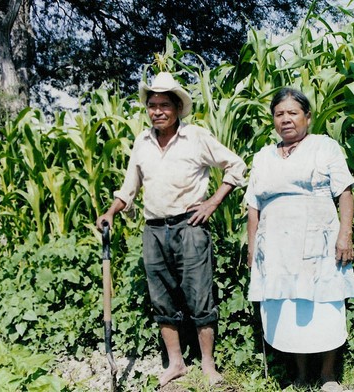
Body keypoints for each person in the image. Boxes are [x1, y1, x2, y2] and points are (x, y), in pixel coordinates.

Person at [96, 72, 246, 387]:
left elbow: (236, 165)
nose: (157, 111)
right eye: (152, 105)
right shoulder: (142, 141)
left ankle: (208, 364)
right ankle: (176, 363)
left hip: (190, 226)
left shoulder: (196, 137)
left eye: (164, 105)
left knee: (199, 295)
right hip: (153, 229)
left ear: (177, 108)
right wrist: (111, 212)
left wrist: (213, 203)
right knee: (161, 298)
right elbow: (129, 189)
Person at [245, 87, 354, 392]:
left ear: (307, 117)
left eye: (293, 113)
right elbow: (253, 206)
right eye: (279, 114)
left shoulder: (324, 147)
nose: (286, 120)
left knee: (323, 308)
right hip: (276, 247)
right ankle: (299, 373)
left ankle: (327, 374)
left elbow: (345, 194)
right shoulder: (263, 156)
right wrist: (252, 245)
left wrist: (344, 235)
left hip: (317, 241)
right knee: (286, 309)